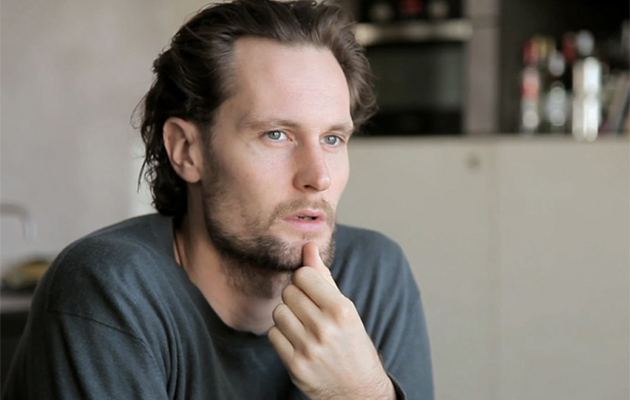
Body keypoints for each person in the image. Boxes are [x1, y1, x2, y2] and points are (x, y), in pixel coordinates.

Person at [2, 1, 433, 399]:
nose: (318, 177)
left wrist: (365, 392)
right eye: (276, 134)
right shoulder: (110, 287)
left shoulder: (373, 275)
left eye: (333, 138)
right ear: (187, 150)